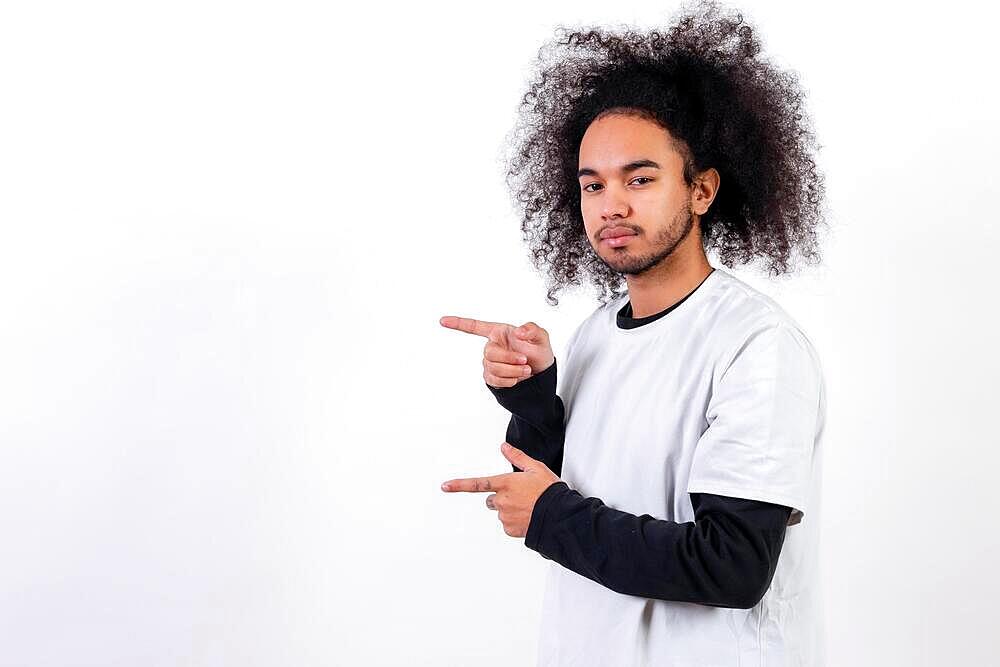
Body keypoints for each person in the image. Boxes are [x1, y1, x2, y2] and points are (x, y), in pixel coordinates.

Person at [439, 1, 828, 664]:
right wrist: (534, 397)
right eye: (593, 185)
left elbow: (730, 565)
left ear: (702, 189)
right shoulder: (595, 335)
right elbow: (566, 486)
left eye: (640, 178)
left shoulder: (755, 346)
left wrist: (550, 517)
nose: (610, 204)